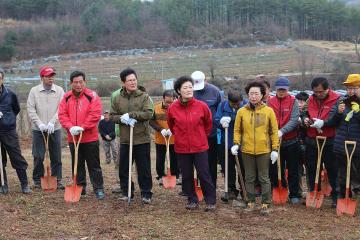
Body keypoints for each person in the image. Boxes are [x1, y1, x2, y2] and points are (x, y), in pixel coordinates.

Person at [167, 75, 216, 211]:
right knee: (187, 175)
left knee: (204, 173)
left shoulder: (202, 106)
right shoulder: (173, 108)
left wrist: (201, 137)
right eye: (185, 88)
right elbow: (172, 126)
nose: (189, 90)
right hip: (182, 148)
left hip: (200, 146)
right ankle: (192, 199)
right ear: (178, 91)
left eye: (190, 87)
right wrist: (181, 137)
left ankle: (210, 200)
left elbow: (208, 124)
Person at [231, 81, 279, 215]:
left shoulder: (268, 111)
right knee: (249, 177)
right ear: (247, 95)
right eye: (251, 93)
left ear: (262, 95)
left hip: (264, 150)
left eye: (256, 93)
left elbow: (273, 131)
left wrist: (275, 149)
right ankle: (250, 201)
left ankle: (266, 202)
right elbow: (237, 130)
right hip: (246, 150)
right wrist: (236, 143)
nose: (253, 96)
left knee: (264, 177)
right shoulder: (241, 111)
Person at [58, 71, 105, 200]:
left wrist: (83, 127)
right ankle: (80, 187)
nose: (78, 84)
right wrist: (70, 127)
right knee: (77, 164)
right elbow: (62, 114)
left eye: (81, 82)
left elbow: (95, 114)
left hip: (90, 137)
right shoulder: (66, 97)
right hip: (73, 138)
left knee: (94, 165)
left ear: (85, 82)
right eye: (75, 82)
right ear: (71, 83)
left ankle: (98, 188)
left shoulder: (92, 96)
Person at [110, 68, 153, 204]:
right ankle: (127, 191)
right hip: (125, 139)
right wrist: (121, 119)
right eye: (129, 80)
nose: (133, 82)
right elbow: (112, 116)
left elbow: (148, 113)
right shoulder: (117, 98)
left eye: (134, 79)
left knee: (143, 168)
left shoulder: (144, 96)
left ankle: (146, 193)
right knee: (124, 168)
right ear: (123, 83)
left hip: (141, 138)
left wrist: (132, 115)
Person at [301, 77, 340, 208]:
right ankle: (313, 192)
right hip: (312, 139)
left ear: (327, 89)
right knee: (312, 168)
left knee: (332, 169)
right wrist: (305, 119)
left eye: (321, 92)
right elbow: (304, 112)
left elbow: (336, 117)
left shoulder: (337, 99)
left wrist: (324, 123)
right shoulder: (310, 99)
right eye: (315, 92)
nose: (318, 94)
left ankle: (336, 196)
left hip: (329, 140)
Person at [27, 66, 64, 189]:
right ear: (42, 77)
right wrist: (40, 124)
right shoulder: (34, 91)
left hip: (55, 128)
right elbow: (31, 109)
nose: (51, 78)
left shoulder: (59, 91)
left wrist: (52, 122)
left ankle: (57, 179)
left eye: (52, 76)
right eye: (48, 76)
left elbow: (61, 108)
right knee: (38, 155)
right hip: (39, 129)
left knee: (56, 155)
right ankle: (37, 180)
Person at [268, 77, 301, 204]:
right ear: (275, 89)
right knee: (276, 168)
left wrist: (282, 131)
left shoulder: (293, 101)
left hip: (291, 140)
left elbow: (294, 119)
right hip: (275, 142)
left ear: (288, 89)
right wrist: (274, 131)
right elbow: (269, 118)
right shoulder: (270, 101)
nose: (282, 92)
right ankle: (279, 188)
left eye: (284, 90)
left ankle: (294, 194)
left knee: (293, 169)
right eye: (279, 90)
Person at [327, 74, 360, 200]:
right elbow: (331, 122)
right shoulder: (341, 101)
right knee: (342, 174)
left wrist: (358, 112)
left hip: (358, 145)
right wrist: (338, 113)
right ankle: (343, 196)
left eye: (354, 88)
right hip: (342, 144)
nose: (351, 91)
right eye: (349, 88)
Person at [0, 67, 31, 194]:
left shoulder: (10, 94)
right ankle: (3, 185)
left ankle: (24, 184)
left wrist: (7, 118)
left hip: (8, 131)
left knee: (16, 157)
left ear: (2, 79)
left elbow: (16, 109)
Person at [192, 71, 222, 188]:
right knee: (199, 162)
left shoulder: (215, 91)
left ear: (205, 80)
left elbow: (220, 108)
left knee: (211, 162)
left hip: (212, 134)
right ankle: (199, 185)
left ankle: (212, 185)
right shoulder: (191, 91)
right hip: (196, 134)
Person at [215, 89, 246, 201]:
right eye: (234, 104)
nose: (237, 106)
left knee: (243, 168)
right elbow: (216, 120)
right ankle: (231, 190)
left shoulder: (246, 105)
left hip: (242, 143)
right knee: (228, 168)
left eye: (239, 104)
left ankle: (244, 190)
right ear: (229, 101)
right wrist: (221, 122)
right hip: (226, 142)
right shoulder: (222, 106)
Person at [150, 90, 180, 185]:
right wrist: (160, 129)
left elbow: (180, 121)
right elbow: (151, 121)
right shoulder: (156, 108)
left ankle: (176, 176)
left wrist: (173, 129)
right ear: (163, 99)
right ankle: (160, 176)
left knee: (174, 158)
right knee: (160, 159)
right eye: (167, 102)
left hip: (174, 139)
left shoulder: (177, 108)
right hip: (160, 138)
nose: (169, 105)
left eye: (171, 102)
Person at [295, 91, 309, 197]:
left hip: (307, 143)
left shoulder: (309, 113)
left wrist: (303, 123)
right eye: (298, 101)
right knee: (297, 168)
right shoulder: (293, 112)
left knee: (309, 168)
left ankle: (310, 190)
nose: (300, 104)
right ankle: (299, 190)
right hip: (295, 143)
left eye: (302, 102)